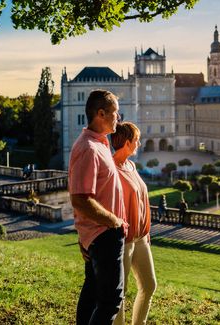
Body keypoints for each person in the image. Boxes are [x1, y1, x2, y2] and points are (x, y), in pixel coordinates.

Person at [68, 89, 127, 325]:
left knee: (93, 293)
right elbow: (80, 199)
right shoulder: (88, 148)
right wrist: (113, 222)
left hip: (99, 234)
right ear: (101, 113)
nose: (118, 118)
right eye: (115, 113)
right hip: (104, 234)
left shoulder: (100, 145)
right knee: (111, 300)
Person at [111, 122, 156, 325]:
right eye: (137, 140)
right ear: (127, 143)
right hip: (123, 240)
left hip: (140, 238)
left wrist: (146, 232)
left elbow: (141, 200)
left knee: (149, 285)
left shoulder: (131, 165)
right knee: (120, 293)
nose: (139, 144)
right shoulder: (112, 170)